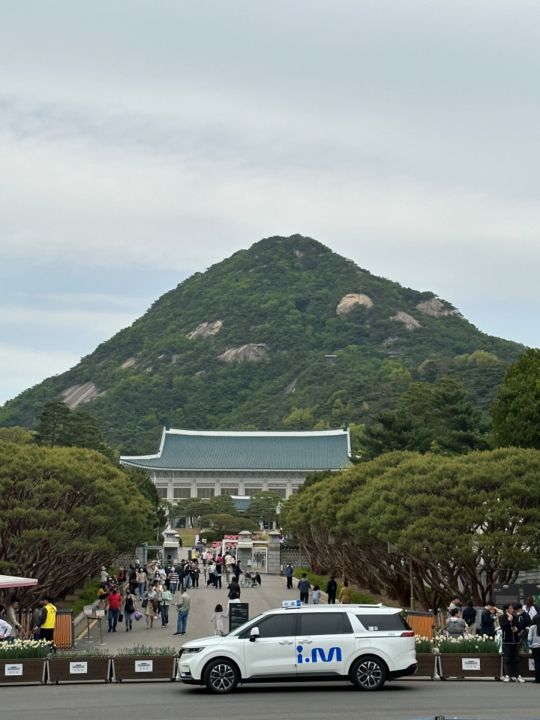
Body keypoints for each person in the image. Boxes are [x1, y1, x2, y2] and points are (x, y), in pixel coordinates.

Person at [499, 603, 524, 682]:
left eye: (512, 608)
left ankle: (518, 676)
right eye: (510, 608)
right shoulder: (502, 617)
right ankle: (508, 675)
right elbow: (503, 627)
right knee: (507, 659)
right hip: (506, 641)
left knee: (516, 659)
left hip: (515, 641)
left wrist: (517, 629)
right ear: (506, 609)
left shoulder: (515, 617)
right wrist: (508, 620)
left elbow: (520, 626)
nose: (512, 609)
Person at [528, 614, 540, 683]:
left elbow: (529, 638)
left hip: (535, 647)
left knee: (537, 662)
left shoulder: (532, 627)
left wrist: (530, 646)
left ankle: (537, 679)